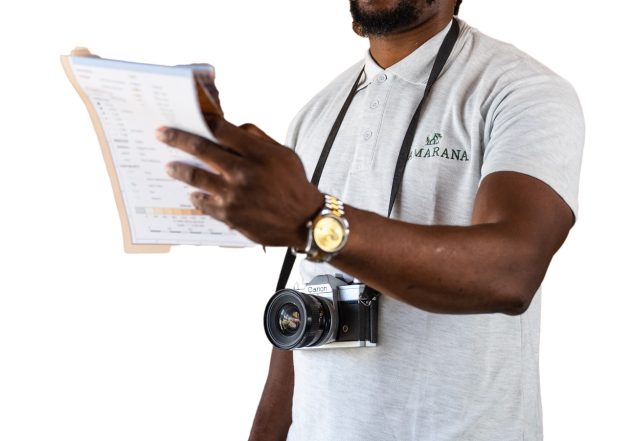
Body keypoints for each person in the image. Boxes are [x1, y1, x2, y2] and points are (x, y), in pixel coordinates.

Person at [156, 0, 585, 439]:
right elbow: (302, 305)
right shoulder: (316, 113)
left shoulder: (521, 90)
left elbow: (510, 272)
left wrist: (315, 220)